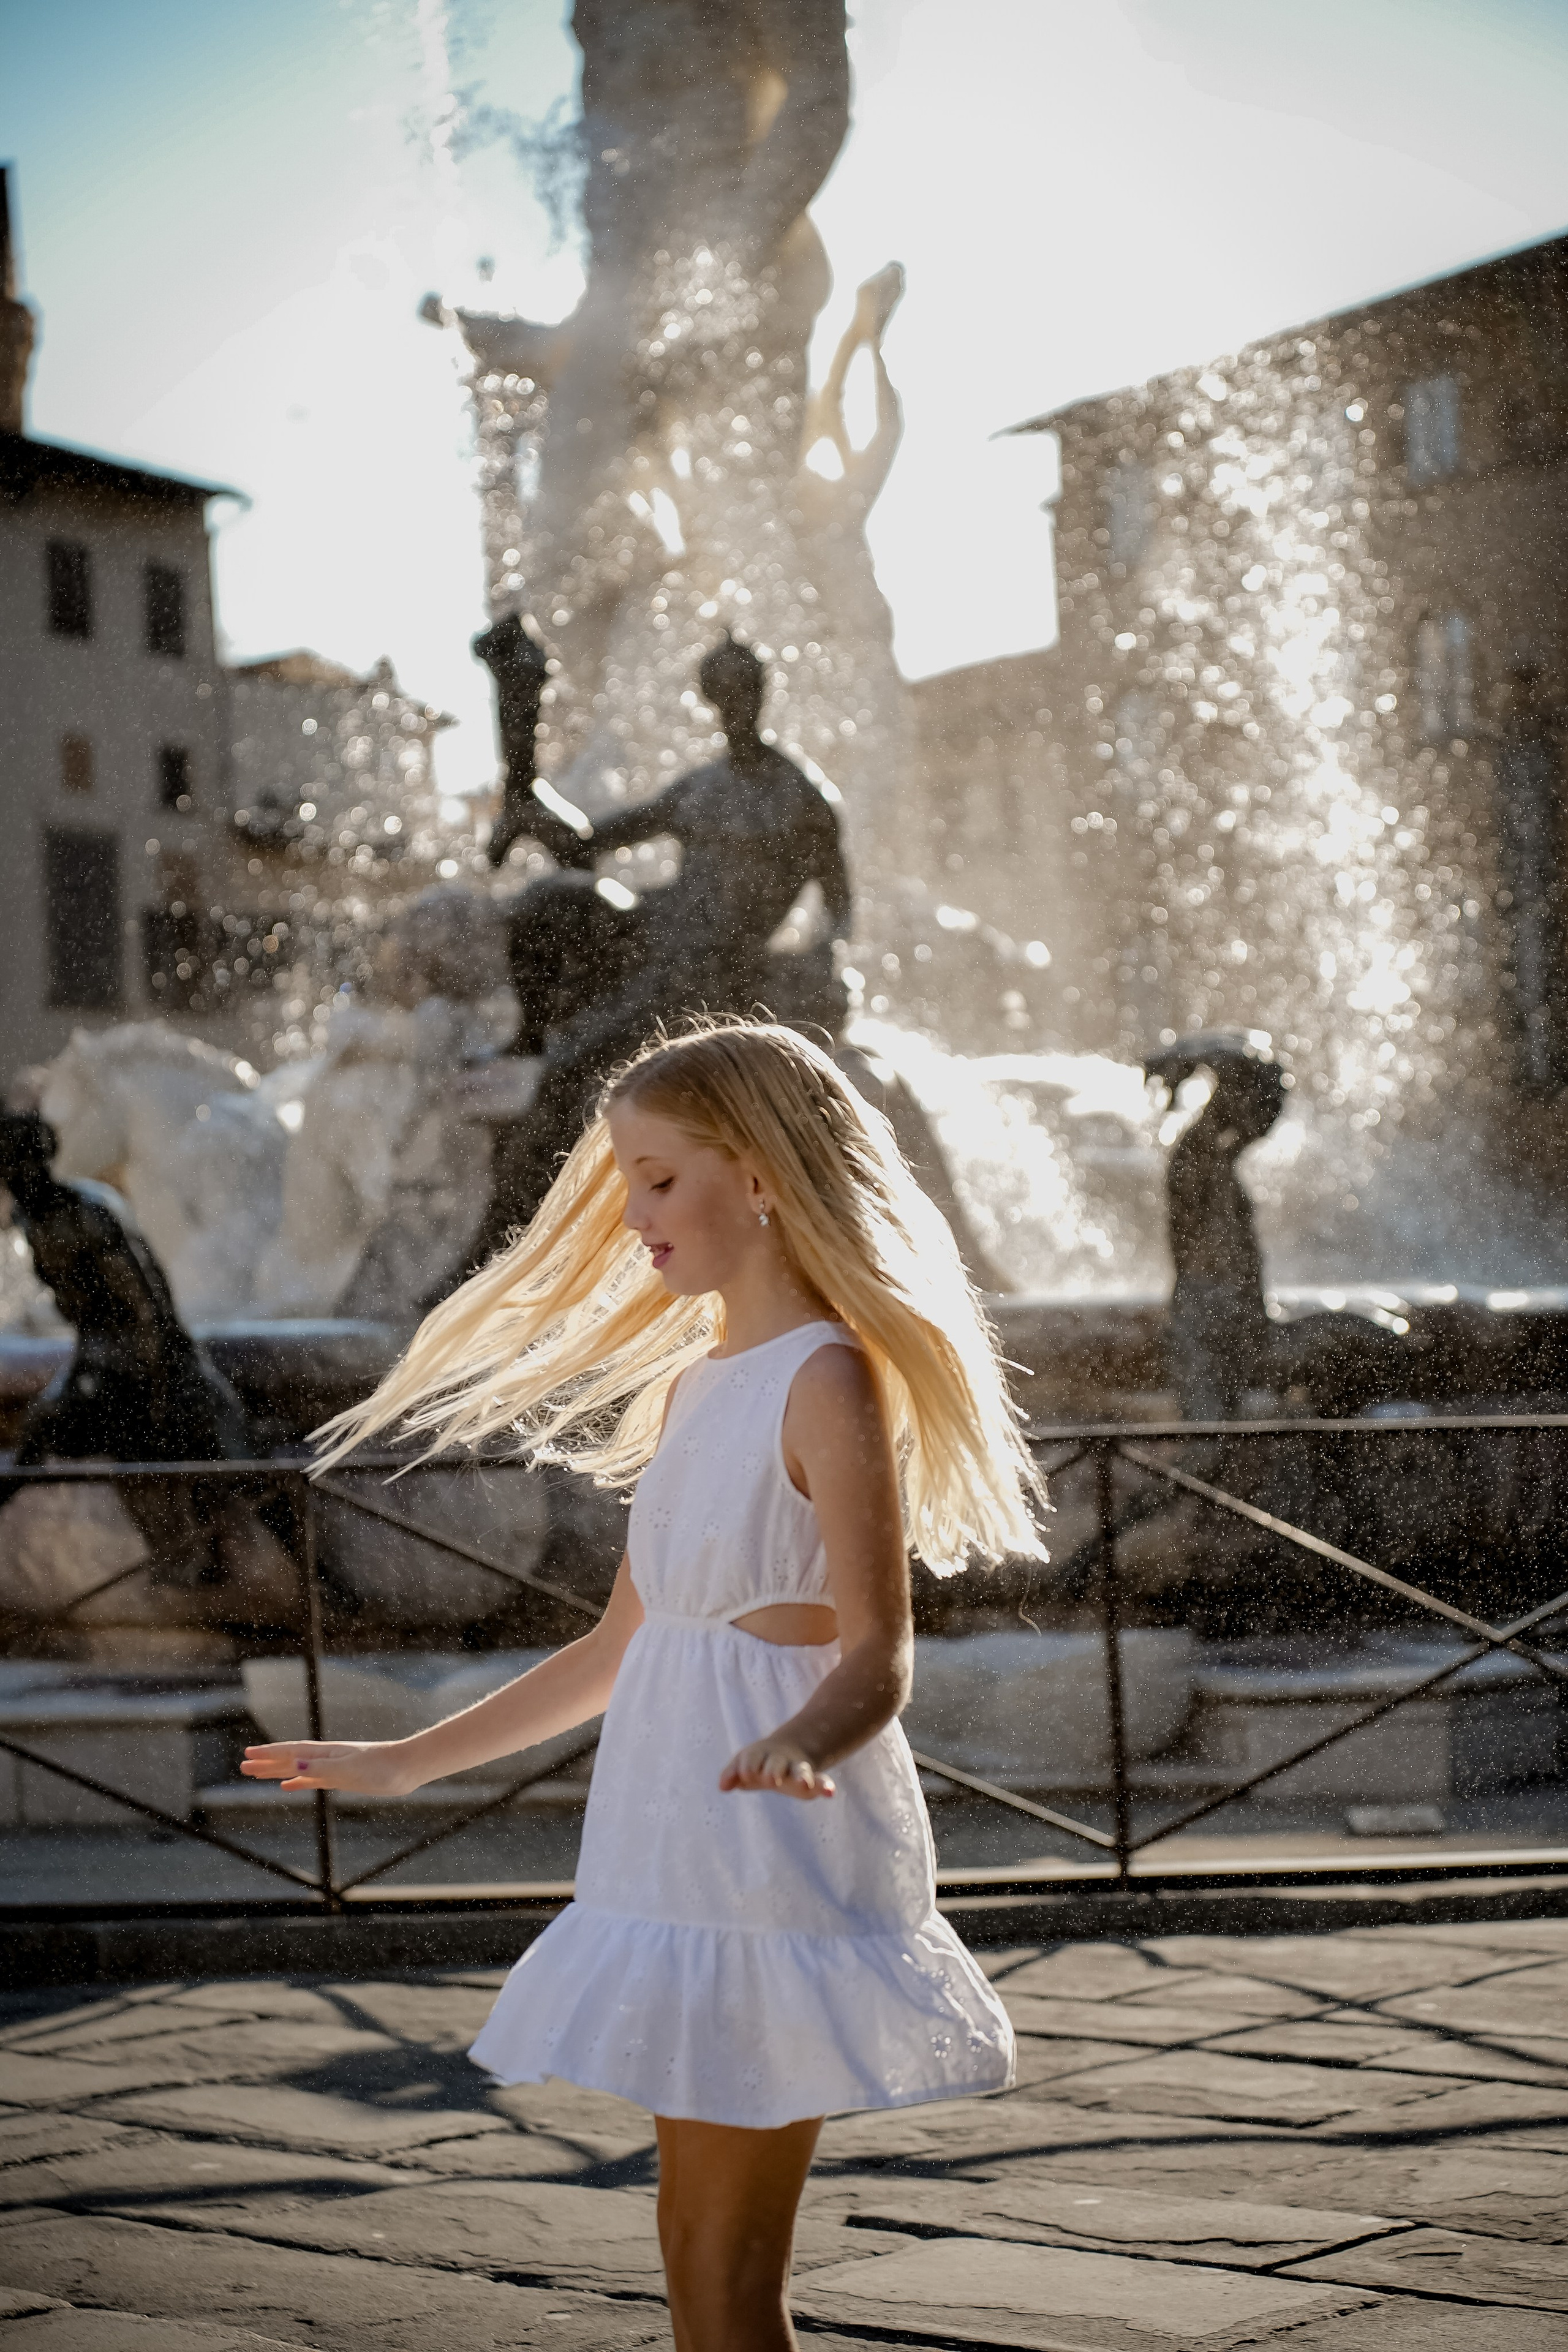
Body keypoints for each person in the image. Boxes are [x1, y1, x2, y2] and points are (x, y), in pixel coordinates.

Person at [241, 1019, 1042, 2351]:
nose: (631, 1213)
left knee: (729, 2271)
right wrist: (400, 1763)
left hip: (766, 1847)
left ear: (764, 1177)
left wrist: (802, 1739)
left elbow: (877, 1652)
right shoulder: (692, 1391)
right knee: (687, 2256)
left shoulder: (823, 1377)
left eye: (659, 1178)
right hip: (666, 1842)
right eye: (626, 1178)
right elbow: (616, 1651)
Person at [463, 634, 854, 1264]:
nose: (733, 706)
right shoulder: (700, 787)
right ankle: (530, 1034)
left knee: (572, 1072)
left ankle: (507, 1249)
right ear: (709, 700)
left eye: (742, 691)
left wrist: (825, 954)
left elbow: (839, 904)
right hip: (656, 931)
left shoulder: (800, 799)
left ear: (760, 693)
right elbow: (588, 845)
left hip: (710, 965)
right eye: (721, 694)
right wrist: (529, 790)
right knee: (554, 898)